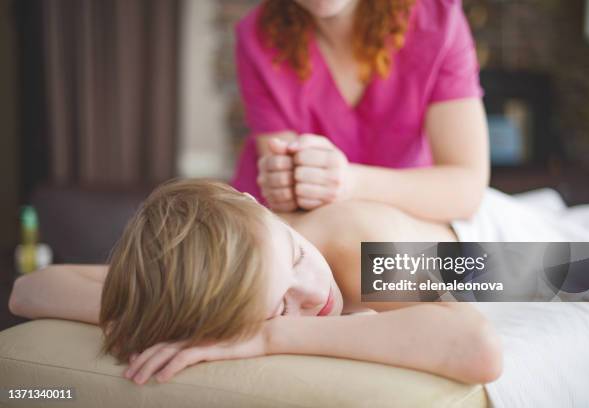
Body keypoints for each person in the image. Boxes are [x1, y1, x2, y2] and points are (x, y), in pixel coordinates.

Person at [9, 178, 502, 386]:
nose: (312, 294)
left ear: (254, 202)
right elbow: (29, 290)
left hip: (500, 249)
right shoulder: (237, 256)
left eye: (295, 256)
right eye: (278, 307)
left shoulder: (355, 251)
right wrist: (167, 311)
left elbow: (478, 347)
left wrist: (267, 333)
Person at [231, 0, 490, 222]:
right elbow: (296, 199)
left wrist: (351, 183)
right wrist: (287, 185)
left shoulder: (436, 20)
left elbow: (466, 188)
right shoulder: (257, 36)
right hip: (292, 223)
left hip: (404, 212)